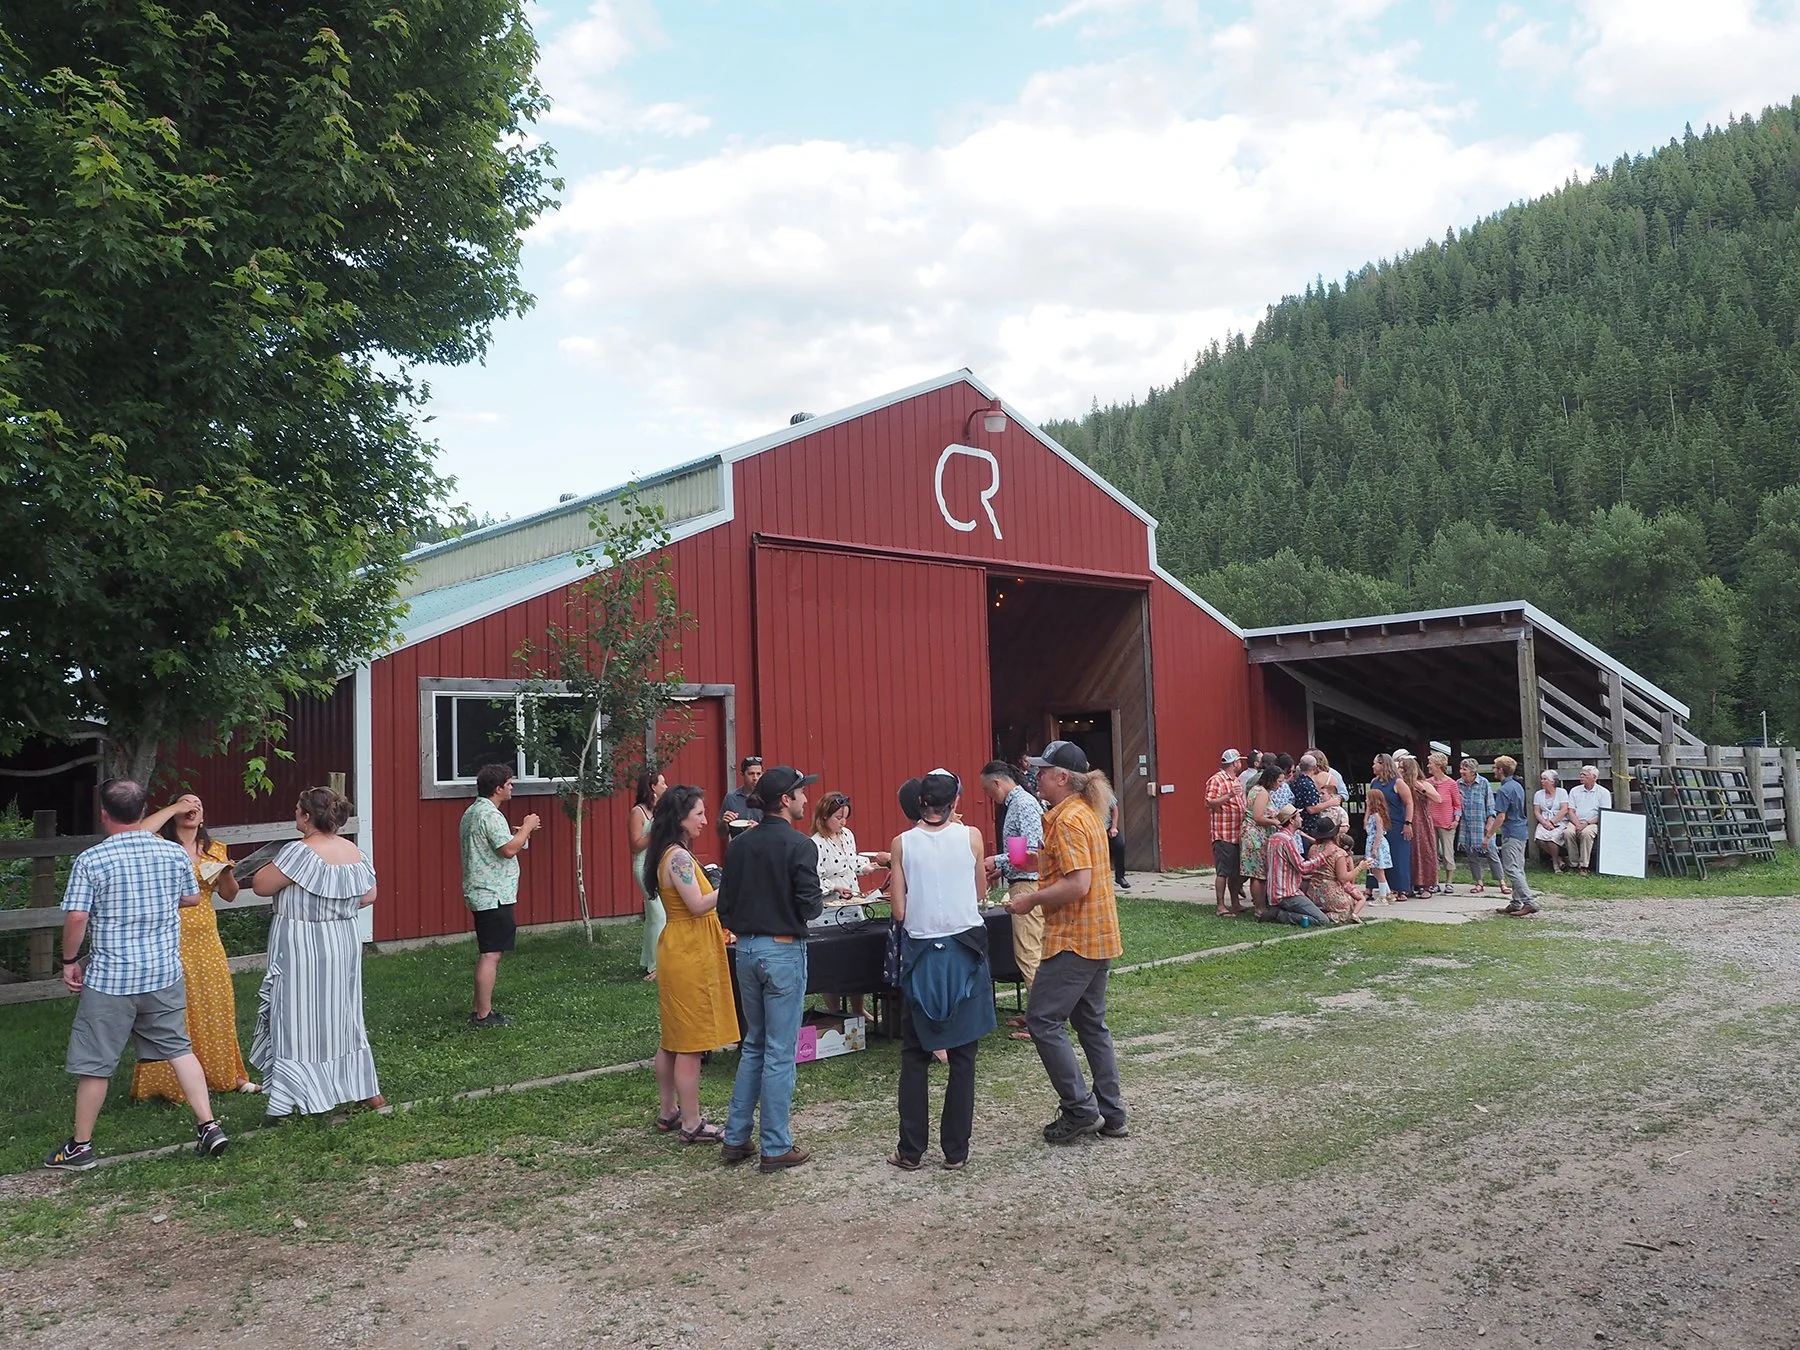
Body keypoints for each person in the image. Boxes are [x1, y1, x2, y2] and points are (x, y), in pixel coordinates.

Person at [46, 779, 229, 1171]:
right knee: (179, 1047)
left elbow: (78, 915)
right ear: (144, 810)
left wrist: (69, 960)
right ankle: (208, 1125)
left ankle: (80, 1148)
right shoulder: (172, 854)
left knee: (96, 1061)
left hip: (112, 978)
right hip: (163, 972)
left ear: (104, 814)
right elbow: (192, 897)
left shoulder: (93, 860)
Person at [1007, 741, 1128, 1145]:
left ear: (1061, 778)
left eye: (1042, 771)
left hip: (1074, 939)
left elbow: (1078, 883)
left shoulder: (1069, 820)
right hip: (1098, 934)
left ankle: (1079, 1109)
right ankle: (1111, 1113)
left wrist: (1031, 900)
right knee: (1091, 1024)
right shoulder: (1083, 813)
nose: (1035, 776)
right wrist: (1010, 862)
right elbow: (1065, 864)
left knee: (1042, 1020)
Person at [252, 786, 384, 1115]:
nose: (295, 812)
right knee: (344, 1015)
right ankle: (365, 1089)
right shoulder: (353, 851)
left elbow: (260, 884)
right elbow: (368, 896)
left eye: (298, 808)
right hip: (342, 940)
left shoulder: (299, 852)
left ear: (308, 816)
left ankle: (290, 1100)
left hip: (302, 944)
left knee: (297, 1018)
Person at [716, 765, 823, 1172]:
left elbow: (724, 904)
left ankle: (737, 1136)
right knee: (780, 1051)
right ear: (785, 800)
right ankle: (776, 1145)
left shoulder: (739, 844)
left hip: (745, 950)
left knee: (755, 1046)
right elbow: (810, 905)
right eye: (800, 793)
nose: (805, 800)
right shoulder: (800, 845)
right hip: (782, 950)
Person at [887, 771, 995, 1171]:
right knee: (963, 1055)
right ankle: (956, 1150)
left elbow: (898, 910)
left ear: (919, 802)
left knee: (915, 1054)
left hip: (921, 954)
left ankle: (911, 1149)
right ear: (954, 802)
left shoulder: (901, 844)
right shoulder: (971, 836)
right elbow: (980, 892)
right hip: (964, 950)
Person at [130, 793, 260, 1102]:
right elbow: (136, 833)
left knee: (214, 1002)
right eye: (185, 804)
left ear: (203, 818)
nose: (191, 808)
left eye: (197, 805)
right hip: (168, 934)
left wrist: (226, 871)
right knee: (175, 1006)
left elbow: (230, 895)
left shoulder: (215, 850)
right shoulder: (159, 844)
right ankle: (169, 1083)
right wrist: (175, 807)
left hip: (205, 938)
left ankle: (225, 1075)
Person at [644, 786, 737, 1143]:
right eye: (698, 813)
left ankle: (669, 1111)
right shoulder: (678, 858)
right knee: (691, 1043)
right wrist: (731, 882)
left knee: (672, 1037)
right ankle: (692, 1122)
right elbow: (698, 904)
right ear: (680, 817)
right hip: (689, 950)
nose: (703, 820)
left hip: (679, 946)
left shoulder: (668, 853)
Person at [459, 763, 541, 1027]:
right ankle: (483, 1015)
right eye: (509, 784)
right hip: (492, 893)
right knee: (491, 954)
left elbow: (502, 845)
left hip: (483, 891)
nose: (512, 787)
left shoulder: (472, 812)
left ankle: (479, 1007)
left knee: (490, 951)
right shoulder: (491, 815)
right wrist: (527, 826)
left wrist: (519, 835)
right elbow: (507, 850)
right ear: (498, 788)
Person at [979, 760, 1045, 1037]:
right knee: (1030, 951)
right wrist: (1002, 868)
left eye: (987, 790)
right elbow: (1018, 852)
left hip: (1028, 886)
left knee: (1029, 953)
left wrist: (996, 859)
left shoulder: (1024, 804)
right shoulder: (1016, 805)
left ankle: (1041, 1021)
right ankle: (1035, 1011)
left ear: (997, 783)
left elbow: (1031, 851)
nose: (988, 796)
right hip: (1021, 881)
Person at [811, 790, 890, 1021]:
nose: (842, 822)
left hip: (852, 906)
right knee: (832, 960)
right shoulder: (815, 844)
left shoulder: (847, 835)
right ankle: (835, 1011)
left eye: (845, 817)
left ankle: (858, 1008)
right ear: (824, 817)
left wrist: (866, 866)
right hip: (829, 911)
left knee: (855, 957)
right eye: (838, 817)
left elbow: (851, 860)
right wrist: (835, 887)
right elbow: (813, 878)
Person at [1263, 806, 1333, 925]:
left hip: (1273, 892)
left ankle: (1279, 910)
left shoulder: (1274, 837)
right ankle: (1281, 915)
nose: (1302, 819)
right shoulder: (1287, 840)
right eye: (1299, 816)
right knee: (1323, 920)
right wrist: (1324, 855)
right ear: (1291, 820)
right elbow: (1302, 866)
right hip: (1287, 894)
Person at [630, 768, 667, 980]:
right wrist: (656, 833)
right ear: (653, 787)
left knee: (654, 916)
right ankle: (656, 966)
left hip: (657, 865)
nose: (666, 786)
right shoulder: (638, 812)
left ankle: (647, 960)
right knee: (659, 914)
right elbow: (635, 846)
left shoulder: (659, 810)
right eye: (662, 783)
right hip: (643, 866)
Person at [1492, 756, 1539, 916]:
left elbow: (1501, 816)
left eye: (1495, 767)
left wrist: (1488, 835)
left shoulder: (1504, 790)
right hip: (1521, 830)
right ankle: (1516, 902)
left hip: (1511, 832)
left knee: (1511, 868)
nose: (1493, 770)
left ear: (1500, 770)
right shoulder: (1517, 785)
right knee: (1519, 868)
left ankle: (1529, 902)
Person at [1300, 815, 1369, 922]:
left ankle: (1317, 913)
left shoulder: (1313, 848)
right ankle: (1327, 917)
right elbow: (1343, 878)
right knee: (1350, 905)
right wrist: (1360, 867)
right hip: (1331, 894)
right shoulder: (1339, 853)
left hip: (1313, 892)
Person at [1205, 750, 1248, 916]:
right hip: (1223, 833)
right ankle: (1220, 906)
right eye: (1239, 761)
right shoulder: (1217, 780)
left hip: (1237, 833)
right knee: (1223, 871)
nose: (1241, 764)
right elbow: (1208, 802)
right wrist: (1229, 795)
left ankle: (1235, 903)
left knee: (1236, 872)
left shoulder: (1235, 780)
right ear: (1234, 763)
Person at [1456, 758, 1504, 896]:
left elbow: (1490, 806)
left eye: (1464, 769)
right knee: (1471, 855)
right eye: (1461, 768)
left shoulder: (1483, 783)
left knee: (1491, 853)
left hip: (1481, 823)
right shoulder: (1458, 784)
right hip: (1467, 825)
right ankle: (1479, 882)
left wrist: (1489, 824)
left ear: (1473, 771)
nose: (1461, 772)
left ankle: (1501, 882)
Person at [1241, 761, 1282, 916]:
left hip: (1253, 834)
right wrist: (1275, 822)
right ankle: (1260, 908)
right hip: (1256, 836)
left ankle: (1260, 905)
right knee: (1258, 874)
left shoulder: (1255, 789)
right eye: (1279, 781)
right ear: (1271, 779)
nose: (1280, 785)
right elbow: (1258, 816)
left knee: (1257, 873)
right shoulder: (1262, 792)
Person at [1370, 754, 1413, 898]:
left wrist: (1408, 822)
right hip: (1378, 824)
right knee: (1378, 855)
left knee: (1398, 855)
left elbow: (1409, 803)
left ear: (1383, 764)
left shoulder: (1398, 782)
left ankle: (1401, 889)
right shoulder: (1374, 782)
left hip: (1396, 823)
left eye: (1375, 763)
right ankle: (1384, 887)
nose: (1373, 766)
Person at [1400, 754, 1440, 897]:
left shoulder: (1423, 783)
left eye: (1402, 768)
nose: (1399, 771)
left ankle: (1426, 885)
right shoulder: (1400, 784)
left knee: (1424, 851)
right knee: (1408, 853)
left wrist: (1422, 789)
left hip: (1421, 821)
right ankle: (1407, 884)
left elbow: (1437, 798)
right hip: (1405, 819)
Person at [1426, 752, 1462, 894]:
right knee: (1432, 854)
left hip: (1447, 823)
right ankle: (1434, 882)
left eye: (1430, 763)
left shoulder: (1451, 784)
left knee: (1447, 853)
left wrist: (1456, 820)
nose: (1428, 765)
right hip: (1430, 823)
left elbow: (1457, 804)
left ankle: (1449, 882)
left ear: (1439, 765)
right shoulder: (1428, 783)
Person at [1567, 766, 1612, 874]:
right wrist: (1578, 824)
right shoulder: (1575, 790)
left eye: (1585, 775)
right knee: (1567, 832)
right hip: (1576, 821)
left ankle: (1584, 866)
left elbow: (1603, 813)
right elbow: (1571, 810)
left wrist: (1586, 823)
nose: (1581, 776)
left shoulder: (1603, 792)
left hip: (1593, 822)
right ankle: (1573, 864)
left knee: (1587, 833)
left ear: (1594, 777)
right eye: (1581, 774)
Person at [1533, 770, 1574, 873]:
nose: (1542, 781)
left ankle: (1555, 864)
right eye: (1542, 779)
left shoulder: (1562, 792)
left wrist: (1552, 822)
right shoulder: (1538, 794)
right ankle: (1559, 859)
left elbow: (1564, 809)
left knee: (1552, 839)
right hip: (1544, 821)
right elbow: (1537, 811)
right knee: (1539, 838)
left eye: (1545, 779)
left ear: (1552, 781)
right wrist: (1544, 822)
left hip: (1559, 821)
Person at [718, 755, 766, 843]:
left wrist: (759, 828)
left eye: (758, 774)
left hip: (762, 848)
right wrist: (724, 822)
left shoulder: (768, 797)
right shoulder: (731, 798)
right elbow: (721, 834)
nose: (755, 778)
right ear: (742, 774)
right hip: (739, 848)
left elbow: (778, 830)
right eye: (751, 774)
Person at [1362, 789, 1393, 900]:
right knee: (1375, 870)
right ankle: (1388, 894)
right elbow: (1365, 825)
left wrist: (1374, 848)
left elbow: (1379, 832)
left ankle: (1382, 897)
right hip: (1372, 841)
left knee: (1378, 871)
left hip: (1376, 844)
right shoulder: (1373, 814)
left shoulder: (1377, 815)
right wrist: (1367, 809)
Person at [1105, 800, 1130, 891]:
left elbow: (1114, 808)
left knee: (1119, 845)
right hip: (1093, 829)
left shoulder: (1105, 793)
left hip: (1108, 827)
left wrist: (1114, 827)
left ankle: (1120, 877)